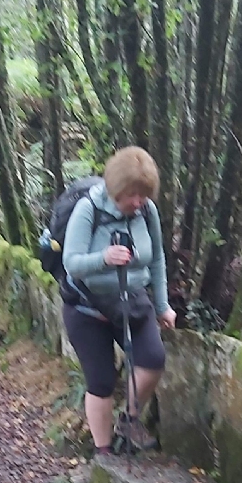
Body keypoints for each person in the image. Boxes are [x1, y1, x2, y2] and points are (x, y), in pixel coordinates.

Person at [62, 146, 175, 455]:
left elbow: (157, 259)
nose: (137, 202)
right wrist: (104, 258)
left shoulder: (147, 212)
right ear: (115, 188)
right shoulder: (89, 210)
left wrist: (163, 306)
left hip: (132, 300)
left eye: (143, 195)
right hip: (88, 308)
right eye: (131, 195)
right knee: (101, 380)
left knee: (153, 359)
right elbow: (71, 262)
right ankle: (104, 453)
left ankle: (129, 420)